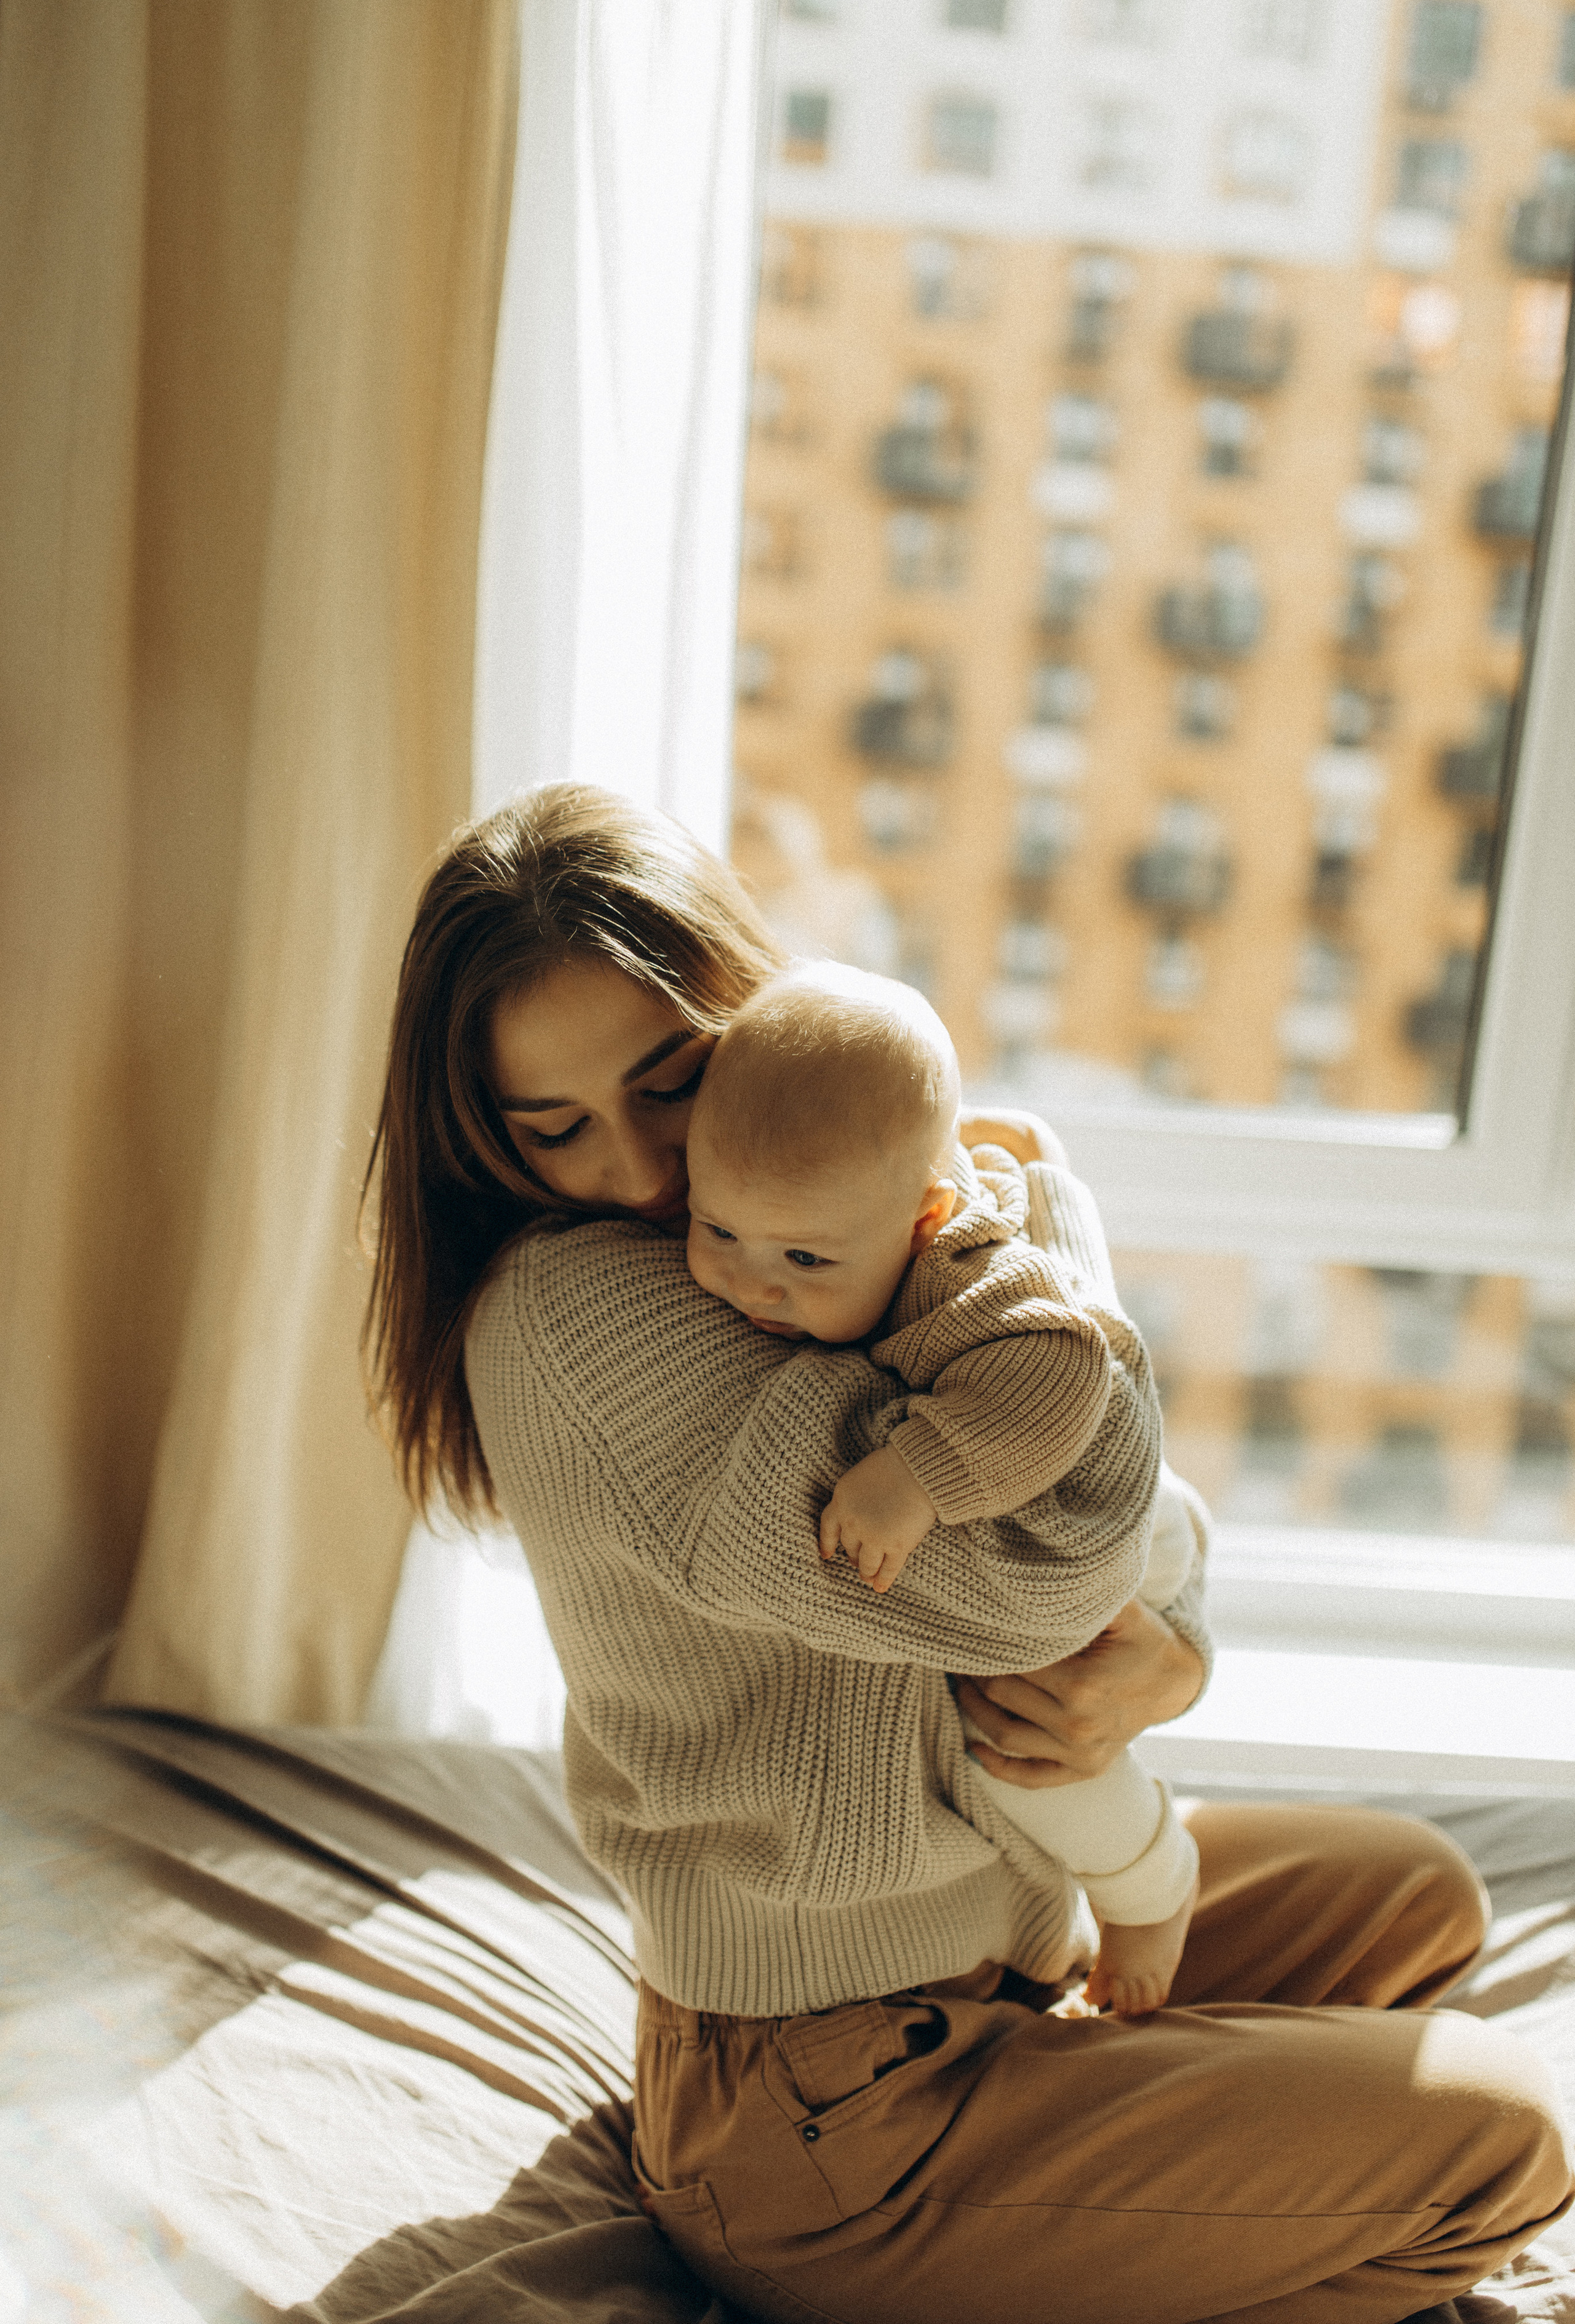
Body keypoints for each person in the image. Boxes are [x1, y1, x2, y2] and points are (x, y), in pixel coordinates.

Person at [364, 780, 1571, 2324]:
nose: (646, 1170)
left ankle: (1080, 2156)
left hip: (1005, 1940)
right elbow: (1043, 1575)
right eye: (555, 1131)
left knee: (1414, 1901)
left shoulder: (800, 1222)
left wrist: (1175, 1643)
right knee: (1499, 2141)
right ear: (485, 1143)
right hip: (826, 2110)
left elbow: (1122, 1518)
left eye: (671, 1083)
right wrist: (1047, 1222)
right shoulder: (590, 1317)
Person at [683, 958, 1200, 2016]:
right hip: (1152, 1521)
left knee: (1024, 1750)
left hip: (1117, 1524)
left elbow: (1066, 1370)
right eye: (715, 1230)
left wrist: (914, 1475)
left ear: (925, 1215)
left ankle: (1153, 1893)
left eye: (805, 1260)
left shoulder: (965, 1277)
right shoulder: (838, 1212)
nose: (752, 1283)